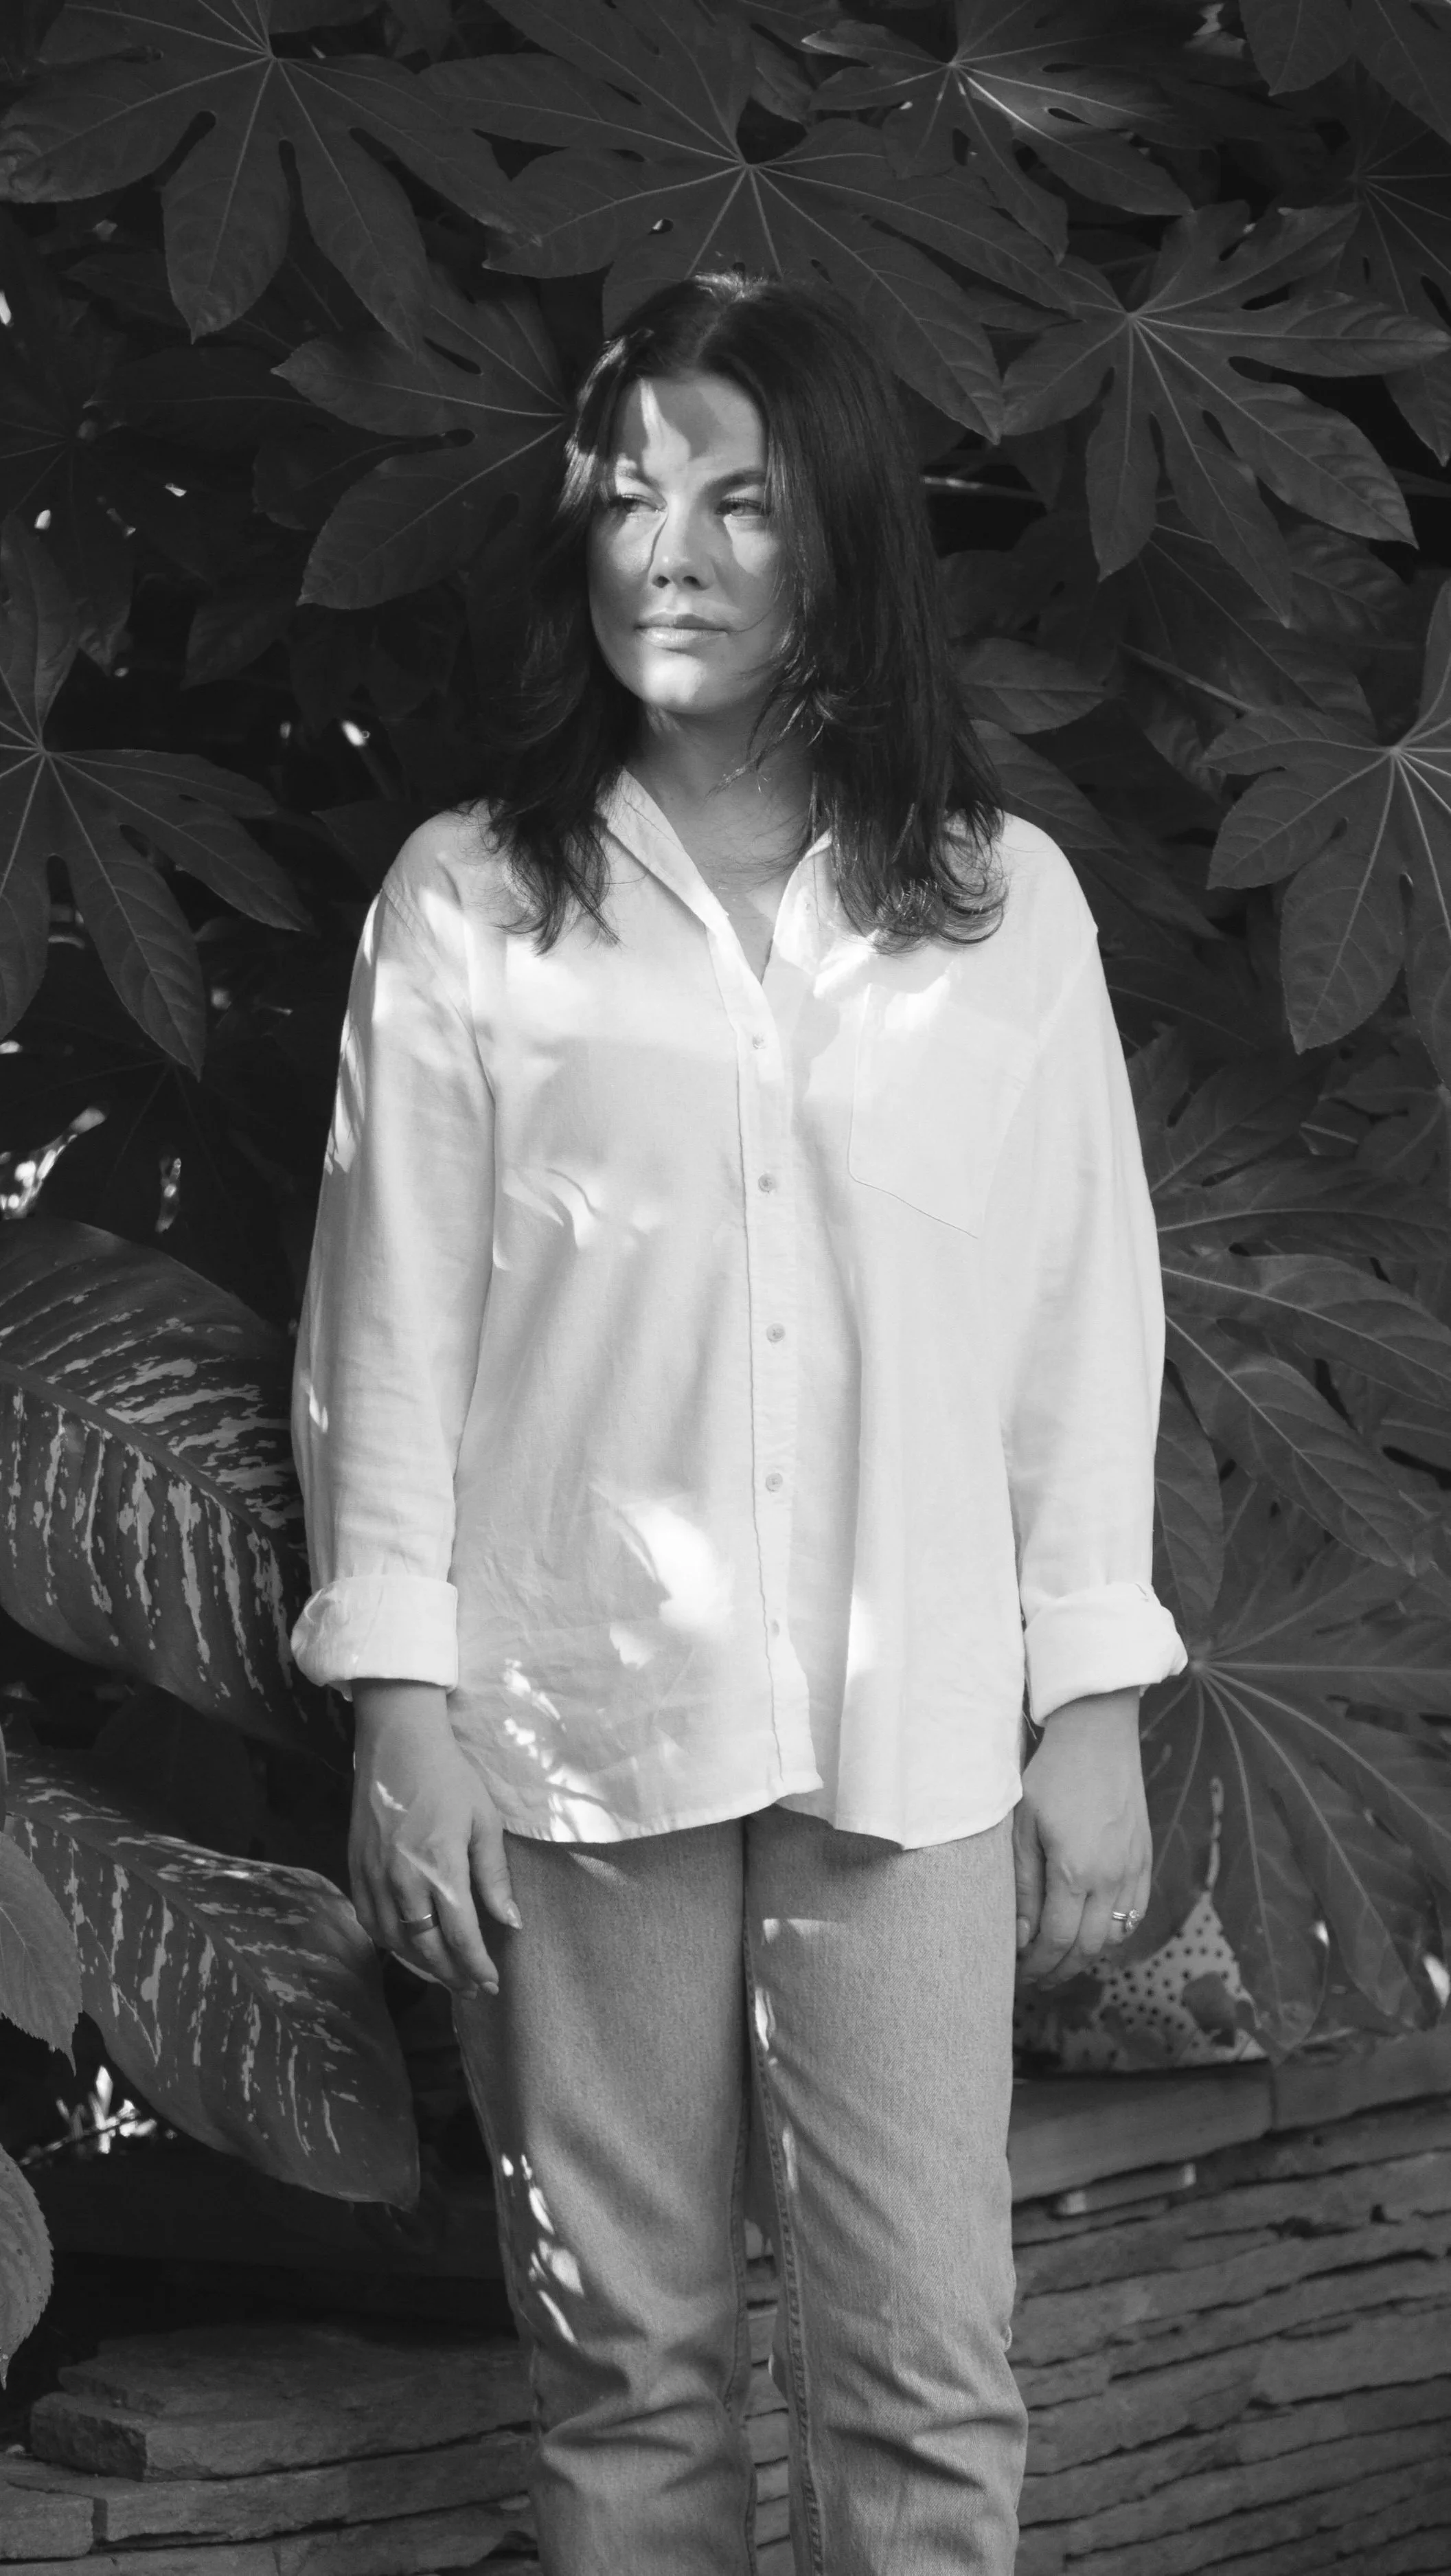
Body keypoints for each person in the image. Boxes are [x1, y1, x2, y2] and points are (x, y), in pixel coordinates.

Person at [290, 271, 1187, 2576]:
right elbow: (384, 1327)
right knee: (626, 2365)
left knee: (924, 2370)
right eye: (626, 494)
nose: (665, 552)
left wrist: (1091, 1695)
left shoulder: (1000, 910)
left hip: (913, 1735)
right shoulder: (468, 901)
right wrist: (398, 1698)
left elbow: (1080, 1321)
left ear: (846, 538)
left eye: (740, 503)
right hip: (574, 1719)